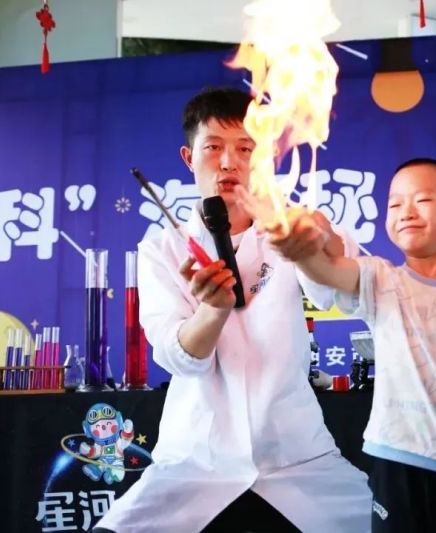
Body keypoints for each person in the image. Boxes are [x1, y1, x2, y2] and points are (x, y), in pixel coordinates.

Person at [94, 86, 372, 532]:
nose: (229, 163)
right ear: (189, 157)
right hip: (193, 462)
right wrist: (212, 311)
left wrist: (324, 243)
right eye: (213, 148)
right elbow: (177, 357)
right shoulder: (162, 248)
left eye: (245, 148)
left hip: (298, 458)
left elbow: (344, 292)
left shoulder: (287, 228)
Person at [260, 158, 436, 532]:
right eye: (395, 203)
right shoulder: (379, 278)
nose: (406, 212)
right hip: (395, 464)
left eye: (423, 200)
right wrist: (301, 253)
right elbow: (327, 270)